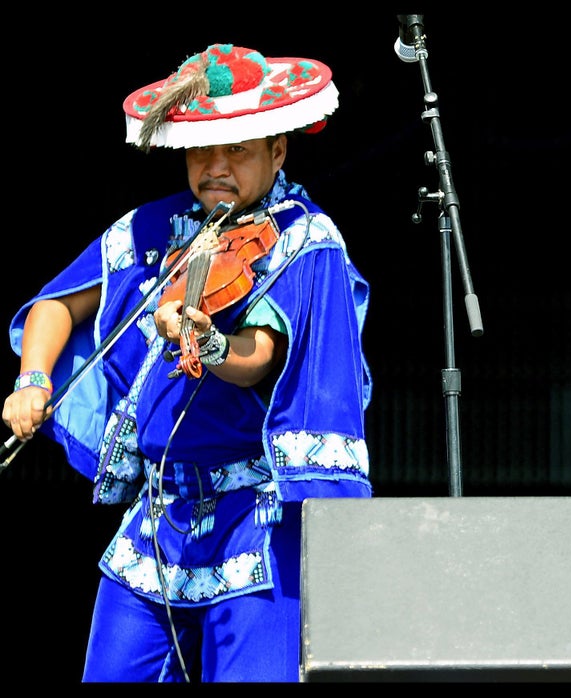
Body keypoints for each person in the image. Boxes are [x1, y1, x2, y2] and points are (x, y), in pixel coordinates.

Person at [1, 43, 372, 682]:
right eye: (202, 151)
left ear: (278, 150)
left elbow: (260, 356)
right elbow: (58, 304)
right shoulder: (153, 228)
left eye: (238, 151)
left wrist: (213, 347)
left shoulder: (307, 241)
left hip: (254, 520)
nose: (216, 169)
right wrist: (33, 377)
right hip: (157, 519)